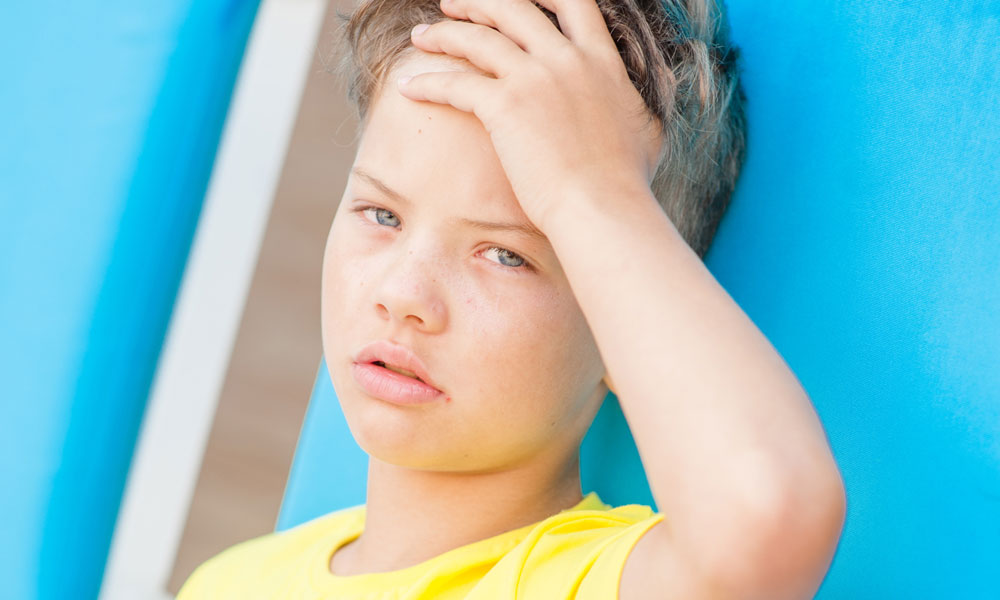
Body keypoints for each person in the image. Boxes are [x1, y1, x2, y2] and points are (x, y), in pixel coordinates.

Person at [178, 0, 847, 597]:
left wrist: (595, 192)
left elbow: (766, 513)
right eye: (382, 215)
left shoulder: (581, 582)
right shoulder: (228, 584)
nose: (403, 296)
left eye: (506, 255)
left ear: (622, 330)